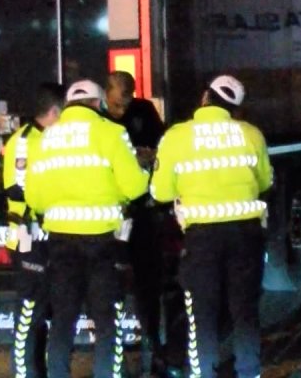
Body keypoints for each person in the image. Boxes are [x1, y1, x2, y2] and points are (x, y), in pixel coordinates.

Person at [25, 79, 150, 378]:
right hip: (101, 243)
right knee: (106, 321)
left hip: (61, 242)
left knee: (63, 321)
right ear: (98, 104)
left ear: (67, 106)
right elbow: (134, 187)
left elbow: (34, 198)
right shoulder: (111, 133)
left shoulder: (45, 139)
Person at [151, 75, 273, 378]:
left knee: (201, 313)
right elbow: (265, 182)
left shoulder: (176, 137)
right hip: (246, 235)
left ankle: (205, 373)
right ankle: (249, 372)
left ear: (205, 97)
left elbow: (160, 192)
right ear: (235, 107)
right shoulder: (252, 134)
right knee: (244, 310)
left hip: (201, 238)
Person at [103, 71, 175, 375]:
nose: (125, 106)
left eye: (130, 97)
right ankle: (114, 357)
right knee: (109, 289)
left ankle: (154, 348)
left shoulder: (144, 111)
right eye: (120, 101)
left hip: (142, 214)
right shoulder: (97, 121)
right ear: (107, 94)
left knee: (149, 285)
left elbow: (164, 148)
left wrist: (151, 154)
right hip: (110, 217)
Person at [3, 81, 65, 378]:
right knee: (29, 312)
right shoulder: (24, 142)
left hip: (50, 234)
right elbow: (17, 191)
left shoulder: (51, 138)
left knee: (49, 310)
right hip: (27, 235)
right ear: (54, 111)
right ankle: (25, 373)